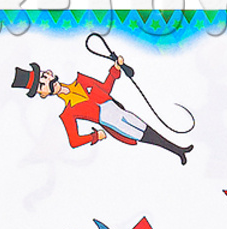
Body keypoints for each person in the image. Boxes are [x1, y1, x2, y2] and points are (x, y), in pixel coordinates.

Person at [12, 57, 192, 164]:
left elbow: (105, 88)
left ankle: (179, 150)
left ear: (49, 73)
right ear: (43, 94)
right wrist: (95, 136)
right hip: (112, 123)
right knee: (144, 136)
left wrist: (115, 69)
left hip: (119, 110)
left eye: (43, 77)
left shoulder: (81, 80)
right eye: (42, 86)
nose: (47, 82)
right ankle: (177, 151)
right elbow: (74, 141)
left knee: (146, 128)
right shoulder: (67, 113)